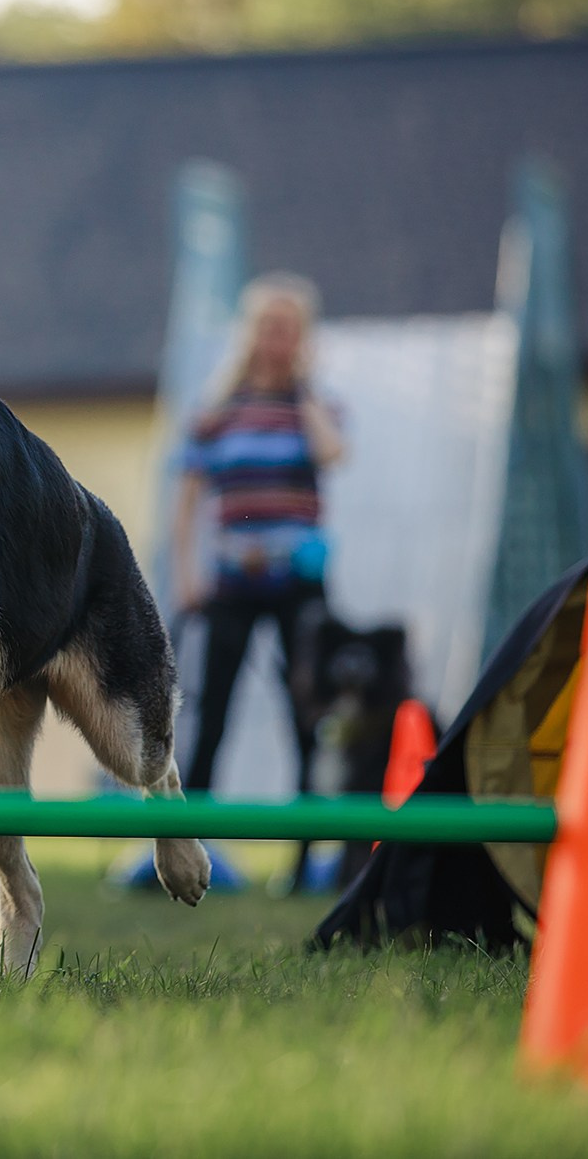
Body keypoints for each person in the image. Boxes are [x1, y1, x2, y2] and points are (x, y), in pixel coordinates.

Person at [172, 275, 346, 798]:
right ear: (250, 333)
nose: (278, 338)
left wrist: (305, 386)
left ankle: (308, 847)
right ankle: (195, 836)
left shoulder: (314, 405)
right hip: (233, 578)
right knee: (215, 707)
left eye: (289, 329)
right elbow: (187, 506)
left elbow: (333, 453)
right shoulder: (217, 412)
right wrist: (187, 576)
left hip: (300, 579)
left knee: (306, 708)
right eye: (269, 326)